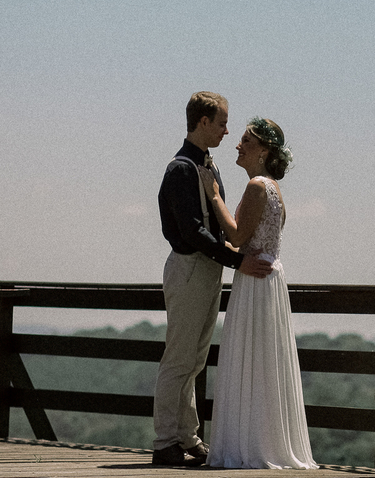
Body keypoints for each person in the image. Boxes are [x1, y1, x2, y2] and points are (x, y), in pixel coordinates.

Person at [153, 92, 273, 468]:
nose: (227, 130)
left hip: (207, 269)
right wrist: (237, 261)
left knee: (195, 360)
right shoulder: (181, 168)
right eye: (222, 123)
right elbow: (191, 231)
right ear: (203, 122)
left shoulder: (208, 165)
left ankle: (187, 437)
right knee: (179, 358)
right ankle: (164, 442)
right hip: (190, 267)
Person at [199, 117, 318, 469]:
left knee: (249, 359)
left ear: (263, 150)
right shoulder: (275, 188)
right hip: (270, 280)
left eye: (246, 141)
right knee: (265, 362)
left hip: (254, 280)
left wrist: (214, 196)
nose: (238, 145)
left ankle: (249, 445)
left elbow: (237, 237)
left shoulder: (256, 187)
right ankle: (265, 441)